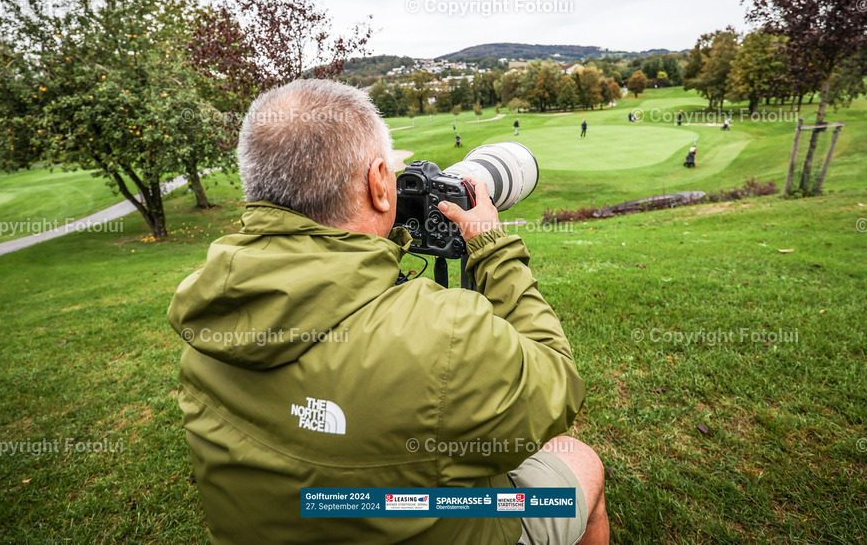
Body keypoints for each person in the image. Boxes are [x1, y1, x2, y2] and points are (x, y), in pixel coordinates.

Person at [168, 79, 609, 545]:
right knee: (578, 459)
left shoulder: (211, 306)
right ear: (380, 184)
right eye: (392, 176)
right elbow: (556, 382)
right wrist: (492, 249)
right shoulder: (444, 335)